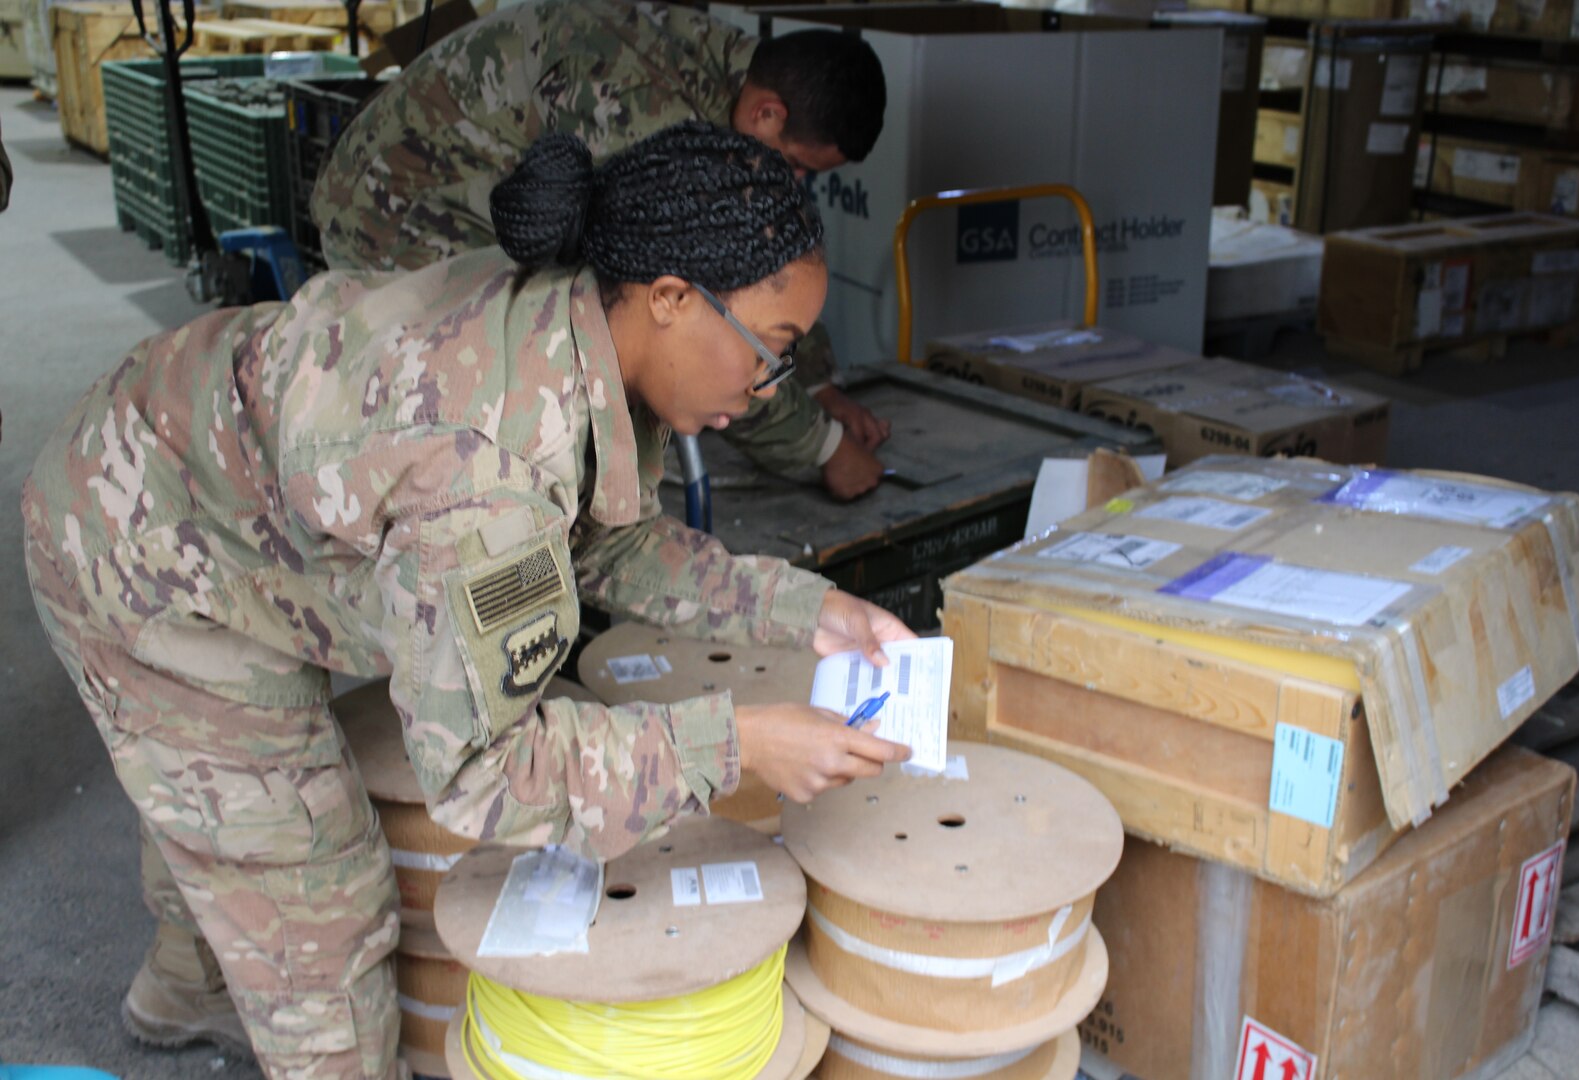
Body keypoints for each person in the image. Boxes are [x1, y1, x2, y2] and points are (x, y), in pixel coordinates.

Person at [23, 122, 914, 1080]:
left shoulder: (576, 319)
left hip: (197, 467)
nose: (770, 386)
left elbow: (603, 540)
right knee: (319, 899)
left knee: (225, 807)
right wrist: (737, 744)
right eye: (770, 349)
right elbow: (485, 770)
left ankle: (184, 984)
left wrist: (802, 609)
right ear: (669, 299)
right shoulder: (486, 479)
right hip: (141, 550)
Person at [311, 0, 893, 499]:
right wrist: (823, 448)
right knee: (479, 415)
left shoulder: (744, 73)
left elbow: (759, 254)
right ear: (769, 114)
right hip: (397, 206)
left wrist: (815, 381)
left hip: (477, 182)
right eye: (794, 165)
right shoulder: (647, 111)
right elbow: (711, 316)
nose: (792, 183)